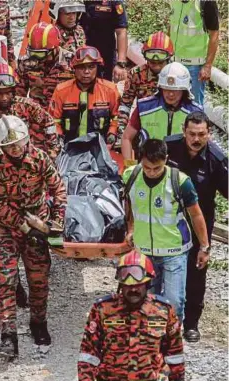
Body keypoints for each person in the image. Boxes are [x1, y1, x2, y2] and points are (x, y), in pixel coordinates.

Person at [0, 115, 67, 358]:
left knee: (39, 278)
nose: (16, 148)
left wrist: (54, 223)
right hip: (6, 228)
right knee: (6, 279)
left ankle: (38, 323)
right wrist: (26, 227)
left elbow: (58, 190)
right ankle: (8, 335)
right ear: (1, 147)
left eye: (19, 143)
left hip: (38, 222)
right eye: (10, 146)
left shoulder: (39, 158)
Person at [123, 139, 210, 322]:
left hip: (174, 252)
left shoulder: (180, 182)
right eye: (147, 168)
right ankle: (149, 343)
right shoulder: (130, 177)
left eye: (157, 168)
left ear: (166, 160)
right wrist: (130, 229)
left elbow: (196, 215)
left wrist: (204, 247)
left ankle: (172, 342)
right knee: (146, 301)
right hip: (144, 251)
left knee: (174, 303)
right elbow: (130, 204)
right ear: (140, 160)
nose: (152, 172)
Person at [165, 111, 228, 342]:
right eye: (192, 133)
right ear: (184, 132)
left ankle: (191, 323)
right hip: (167, 222)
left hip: (198, 225)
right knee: (161, 270)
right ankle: (159, 319)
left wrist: (206, 245)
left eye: (202, 134)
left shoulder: (217, 160)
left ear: (209, 134)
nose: (196, 139)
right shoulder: (168, 147)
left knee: (196, 273)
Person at [78, 249, 185, 381]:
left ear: (147, 283)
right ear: (120, 285)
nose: (133, 289)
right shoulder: (102, 309)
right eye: (127, 286)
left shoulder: (164, 311)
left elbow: (175, 355)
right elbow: (88, 353)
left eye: (138, 285)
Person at [121, 62, 202, 162]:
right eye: (166, 89)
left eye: (175, 89)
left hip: (182, 170)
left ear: (184, 90)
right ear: (160, 87)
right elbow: (126, 137)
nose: (170, 94)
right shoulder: (144, 107)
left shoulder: (195, 112)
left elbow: (203, 145)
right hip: (149, 168)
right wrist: (130, 167)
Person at [0, 63, 60, 160]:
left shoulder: (27, 106)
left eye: (8, 92)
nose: (4, 98)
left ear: (14, 91)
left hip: (27, 157)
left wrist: (52, 148)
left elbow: (49, 123)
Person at [49, 46, 119, 145]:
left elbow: (117, 117)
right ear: (74, 69)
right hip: (69, 147)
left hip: (100, 147)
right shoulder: (61, 91)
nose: (86, 72)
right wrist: (58, 138)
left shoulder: (110, 90)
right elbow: (53, 120)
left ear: (97, 68)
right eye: (82, 67)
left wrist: (112, 132)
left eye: (91, 67)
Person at [118, 31, 174, 140]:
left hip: (170, 126)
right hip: (143, 125)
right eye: (152, 61)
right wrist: (121, 131)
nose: (156, 64)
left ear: (168, 57)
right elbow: (125, 104)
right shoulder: (136, 74)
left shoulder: (177, 74)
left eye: (160, 61)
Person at [169, 0, 219, 105]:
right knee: (173, 106)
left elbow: (214, 35)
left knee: (194, 108)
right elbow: (172, 28)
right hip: (173, 64)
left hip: (195, 68)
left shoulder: (206, 2)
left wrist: (208, 66)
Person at [17, 22, 74, 110]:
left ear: (55, 49)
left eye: (41, 54)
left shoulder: (71, 62)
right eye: (33, 53)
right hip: (37, 114)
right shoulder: (26, 63)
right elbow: (17, 94)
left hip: (64, 112)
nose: (37, 58)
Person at [80, 0, 128, 82]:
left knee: (104, 87)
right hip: (81, 54)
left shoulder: (114, 2)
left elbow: (121, 31)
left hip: (105, 56)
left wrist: (121, 63)